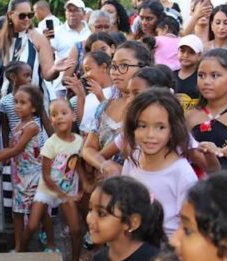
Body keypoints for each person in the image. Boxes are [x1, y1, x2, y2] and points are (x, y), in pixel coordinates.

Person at [113, 89, 197, 240]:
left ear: (173, 130)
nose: (150, 135)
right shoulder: (133, 159)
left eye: (160, 127)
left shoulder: (183, 174)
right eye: (142, 126)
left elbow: (190, 228)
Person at [0, 85, 46, 252]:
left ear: (34, 107)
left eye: (23, 103)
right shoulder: (19, 125)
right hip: (19, 175)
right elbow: (11, 149)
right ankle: (19, 247)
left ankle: (35, 243)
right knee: (17, 213)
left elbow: (16, 150)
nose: (17, 106)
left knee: (36, 215)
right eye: (16, 102)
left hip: (33, 176)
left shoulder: (32, 127)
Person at [82, 41, 153, 177]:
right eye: (114, 66)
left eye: (124, 65)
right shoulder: (104, 105)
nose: (116, 72)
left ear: (144, 68)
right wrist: (104, 165)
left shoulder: (150, 110)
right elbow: (88, 148)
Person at [25, 98, 84, 258]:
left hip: (66, 190)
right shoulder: (50, 144)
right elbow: (46, 176)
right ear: (51, 120)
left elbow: (78, 166)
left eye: (64, 113)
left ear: (73, 116)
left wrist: (83, 186)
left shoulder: (80, 141)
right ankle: (19, 253)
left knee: (76, 229)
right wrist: (62, 194)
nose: (59, 117)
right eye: (54, 114)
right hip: (47, 189)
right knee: (32, 225)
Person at [0, 0, 60, 98]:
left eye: (30, 15)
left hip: (32, 102)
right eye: (22, 16)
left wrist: (56, 69)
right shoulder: (0, 40)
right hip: (4, 103)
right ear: (10, 15)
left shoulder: (38, 38)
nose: (27, 19)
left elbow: (47, 74)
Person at [50, 0, 92, 98]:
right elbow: (48, 54)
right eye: (69, 10)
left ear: (83, 13)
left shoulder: (90, 31)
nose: (72, 14)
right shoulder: (57, 31)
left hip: (86, 86)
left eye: (76, 10)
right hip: (61, 87)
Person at [65, 50, 113, 135]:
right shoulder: (90, 95)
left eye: (88, 69)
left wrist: (101, 96)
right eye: (84, 72)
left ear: (104, 67)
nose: (85, 75)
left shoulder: (115, 91)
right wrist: (80, 95)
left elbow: (113, 120)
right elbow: (83, 125)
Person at [174, 34, 203, 112]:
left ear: (199, 55)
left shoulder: (201, 78)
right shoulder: (170, 76)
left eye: (191, 52)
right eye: (182, 51)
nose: (185, 55)